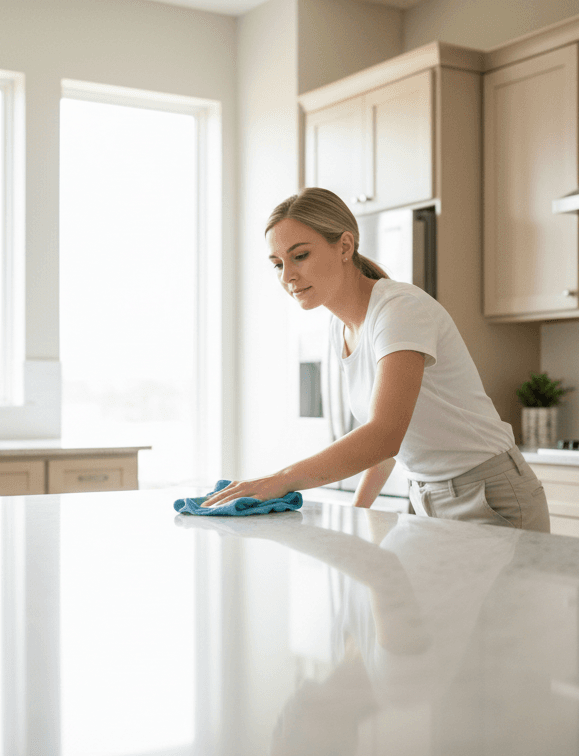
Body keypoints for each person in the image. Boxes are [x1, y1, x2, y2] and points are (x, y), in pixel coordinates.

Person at [203, 187, 550, 531]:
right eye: (277, 263)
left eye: (300, 256)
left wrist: (280, 480)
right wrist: (357, 512)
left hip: (490, 496)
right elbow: (386, 444)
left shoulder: (399, 309)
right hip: (425, 495)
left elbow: (385, 435)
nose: (287, 276)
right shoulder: (340, 328)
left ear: (344, 246)